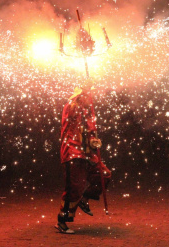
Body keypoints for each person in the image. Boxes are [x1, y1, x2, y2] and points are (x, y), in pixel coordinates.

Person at [55, 78, 112, 234]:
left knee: (104, 175)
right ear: (81, 96)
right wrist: (84, 88)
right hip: (73, 153)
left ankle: (85, 198)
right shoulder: (71, 107)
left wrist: (94, 141)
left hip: (87, 154)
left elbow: (91, 135)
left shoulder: (89, 114)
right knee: (74, 188)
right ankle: (62, 220)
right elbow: (73, 108)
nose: (91, 98)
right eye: (88, 96)